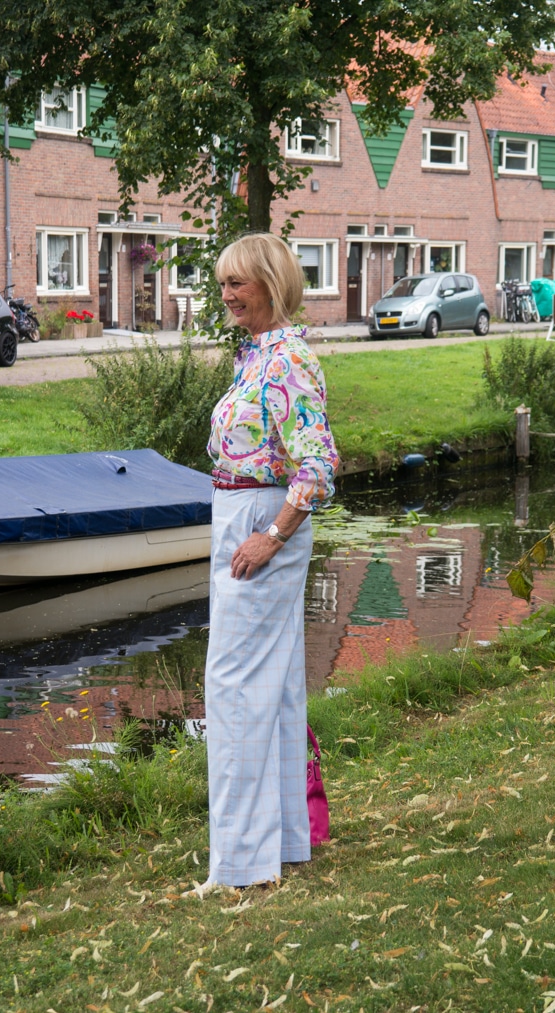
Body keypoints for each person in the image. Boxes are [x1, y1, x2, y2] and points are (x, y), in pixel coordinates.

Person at [194, 232, 339, 893]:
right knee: (272, 688)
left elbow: (316, 467)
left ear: (272, 286)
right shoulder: (254, 353)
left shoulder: (287, 361)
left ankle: (241, 861)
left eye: (238, 284)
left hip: (261, 527)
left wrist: (272, 536)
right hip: (241, 517)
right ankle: (281, 839)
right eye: (222, 283)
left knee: (234, 690)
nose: (226, 295)